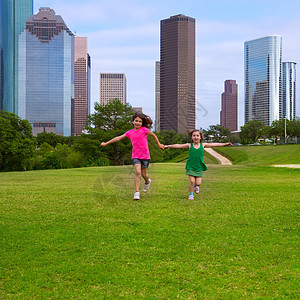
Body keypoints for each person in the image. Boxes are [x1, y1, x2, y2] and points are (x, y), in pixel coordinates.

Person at [101, 112, 164, 200]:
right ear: (132, 121)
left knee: (144, 174)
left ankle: (147, 181)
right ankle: (137, 192)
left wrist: (159, 144)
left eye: (140, 121)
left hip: (145, 156)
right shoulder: (129, 133)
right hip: (136, 156)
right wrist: (106, 143)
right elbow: (118, 138)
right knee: (137, 172)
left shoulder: (144, 130)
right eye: (136, 121)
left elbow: (153, 135)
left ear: (142, 123)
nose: (137, 123)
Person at [165, 129, 232, 200]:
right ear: (191, 137)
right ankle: (191, 195)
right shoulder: (189, 145)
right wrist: (168, 146)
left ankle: (196, 186)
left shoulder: (203, 145)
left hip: (199, 166)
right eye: (194, 136)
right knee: (192, 181)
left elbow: (214, 144)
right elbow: (178, 145)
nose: (196, 137)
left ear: (200, 137)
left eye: (197, 135)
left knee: (198, 183)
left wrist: (225, 144)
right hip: (191, 166)